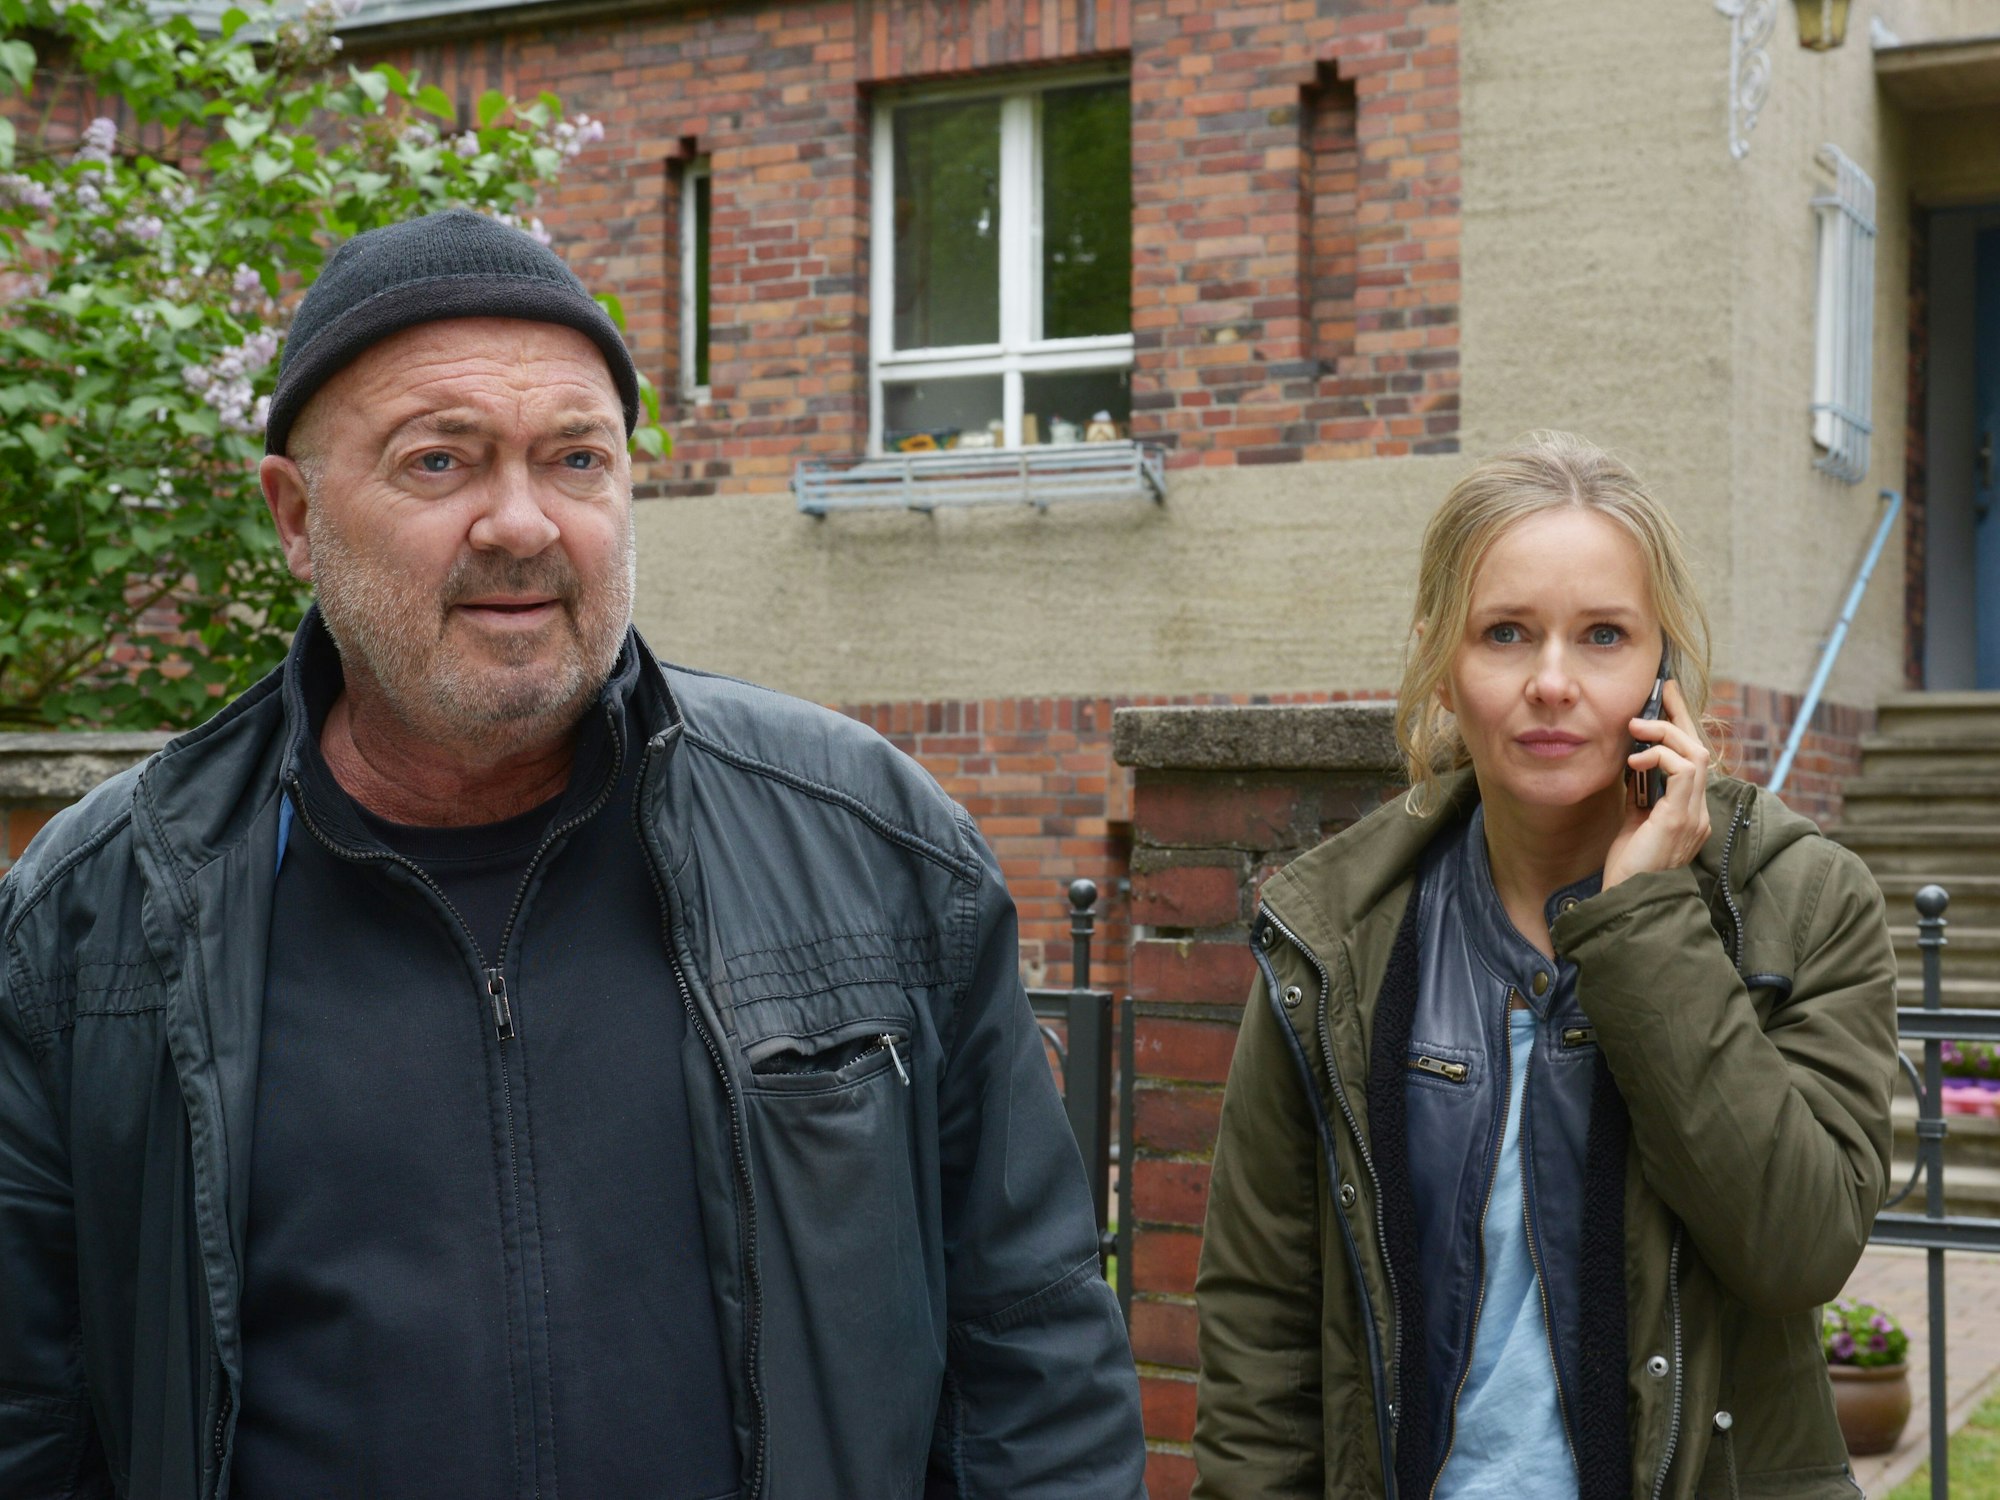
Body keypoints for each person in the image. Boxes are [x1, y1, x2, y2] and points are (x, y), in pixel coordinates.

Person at [0, 209, 1145, 1500]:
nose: (522, 523)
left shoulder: (875, 854)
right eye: (441, 462)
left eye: (577, 460)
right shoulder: (93, 926)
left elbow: (1037, 1382)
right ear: (296, 519)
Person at [1192, 431, 1898, 1500]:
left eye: (1603, 635)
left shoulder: (1799, 903)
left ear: (1661, 667)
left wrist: (1647, 920)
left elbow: (1795, 1247)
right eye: (1506, 633)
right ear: (1440, 660)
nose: (1552, 682)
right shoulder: (1333, 935)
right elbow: (1260, 1327)